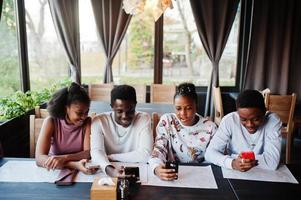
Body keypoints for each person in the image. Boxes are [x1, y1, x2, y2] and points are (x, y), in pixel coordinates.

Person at [149, 83, 217, 181]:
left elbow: (213, 157)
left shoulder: (210, 127)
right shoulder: (167, 121)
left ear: (196, 106)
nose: (183, 114)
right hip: (172, 174)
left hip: (200, 176)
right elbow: (159, 149)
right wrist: (156, 168)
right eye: (178, 108)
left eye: (188, 108)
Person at [205, 89, 282, 171]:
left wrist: (236, 158)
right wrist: (233, 163)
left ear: (264, 111)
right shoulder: (230, 120)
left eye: (256, 119)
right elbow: (209, 154)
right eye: (243, 120)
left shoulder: (273, 121)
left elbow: (272, 163)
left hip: (263, 173)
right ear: (237, 113)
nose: (250, 124)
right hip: (236, 172)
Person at [91, 85, 153, 177]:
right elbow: (96, 152)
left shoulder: (143, 119)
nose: (125, 116)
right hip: (107, 170)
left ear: (135, 105)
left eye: (130, 111)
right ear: (112, 106)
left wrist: (110, 157)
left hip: (135, 170)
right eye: (119, 111)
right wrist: (110, 170)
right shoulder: (99, 121)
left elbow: (145, 155)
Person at [35, 82, 96, 174]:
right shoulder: (51, 122)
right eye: (79, 113)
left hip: (80, 170)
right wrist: (73, 164)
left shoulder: (87, 122)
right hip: (52, 170)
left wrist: (64, 158)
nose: (84, 117)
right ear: (66, 108)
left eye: (86, 112)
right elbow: (39, 158)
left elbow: (87, 153)